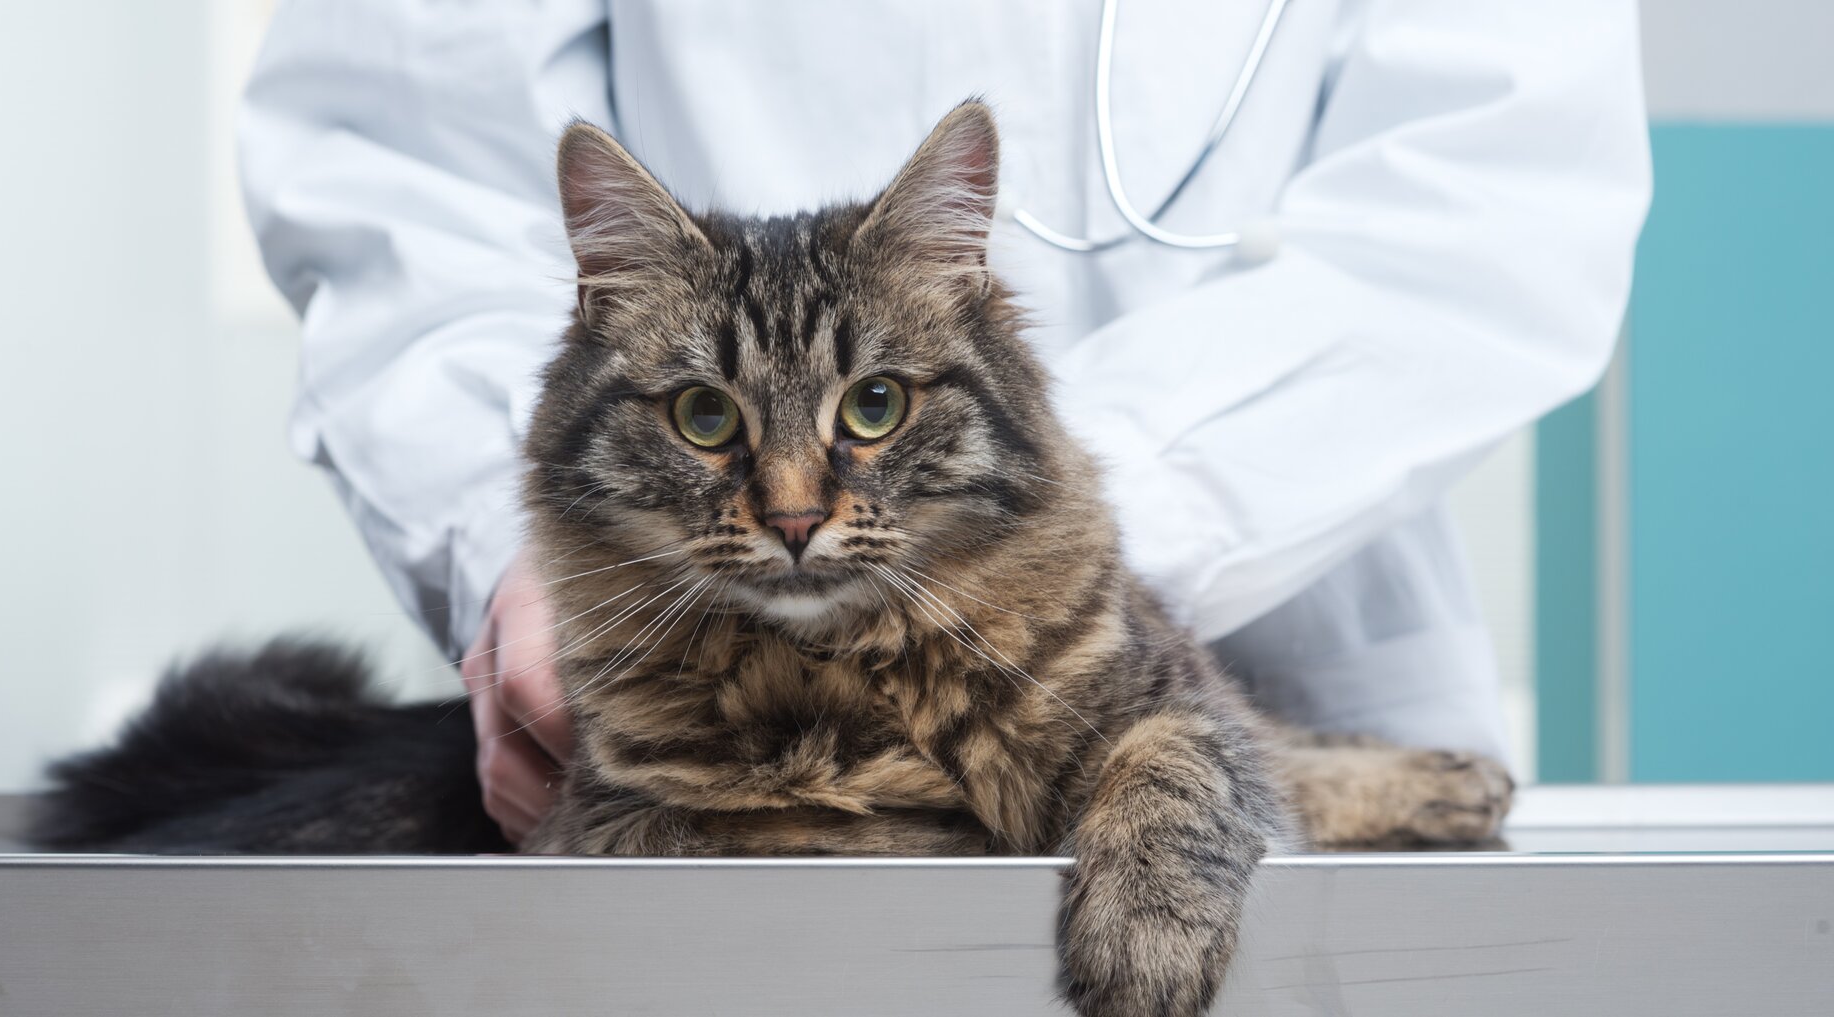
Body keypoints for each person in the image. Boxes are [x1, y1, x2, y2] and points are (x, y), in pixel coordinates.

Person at [238, 2, 1651, 843]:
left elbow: (1499, 206)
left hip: (1296, 659)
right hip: (692, 678)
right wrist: (514, 550)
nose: (797, 500)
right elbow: (404, 164)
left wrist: (1051, 570)